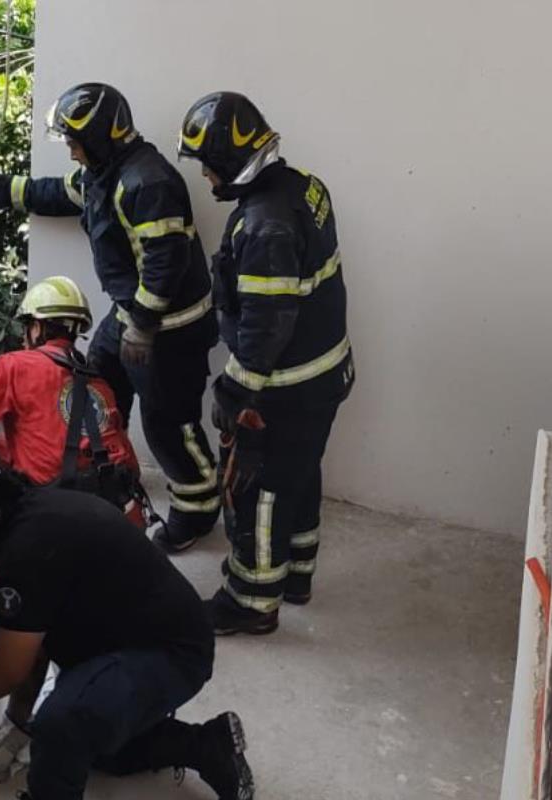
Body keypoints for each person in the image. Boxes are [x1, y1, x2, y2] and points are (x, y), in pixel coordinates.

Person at [0, 447, 254, 800]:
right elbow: (31, 644)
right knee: (94, 748)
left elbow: (8, 669)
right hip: (138, 644)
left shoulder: (27, 547)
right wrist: (18, 724)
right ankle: (208, 746)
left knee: (62, 725)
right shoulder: (31, 517)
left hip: (171, 656)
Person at [0, 83, 220, 553]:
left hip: (171, 328)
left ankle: (198, 507)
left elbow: (166, 263)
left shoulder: (149, 183)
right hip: (131, 316)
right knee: (95, 384)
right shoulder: (101, 173)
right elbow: (59, 194)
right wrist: (2, 189)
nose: (69, 148)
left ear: (102, 135)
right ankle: (106, 473)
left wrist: (143, 326)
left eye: (73, 138)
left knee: (169, 423)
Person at [177, 92, 355, 635]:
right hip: (326, 375)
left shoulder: (263, 227)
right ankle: (296, 574)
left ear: (231, 163)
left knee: (258, 490)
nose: (205, 176)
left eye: (208, 164)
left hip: (285, 387)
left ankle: (251, 600)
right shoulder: (304, 185)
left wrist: (234, 391)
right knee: (300, 474)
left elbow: (265, 325)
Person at [0, 275, 145, 523]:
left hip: (54, 512)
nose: (24, 337)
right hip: (118, 509)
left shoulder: (17, 366)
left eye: (27, 326)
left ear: (37, 327)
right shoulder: (99, 383)